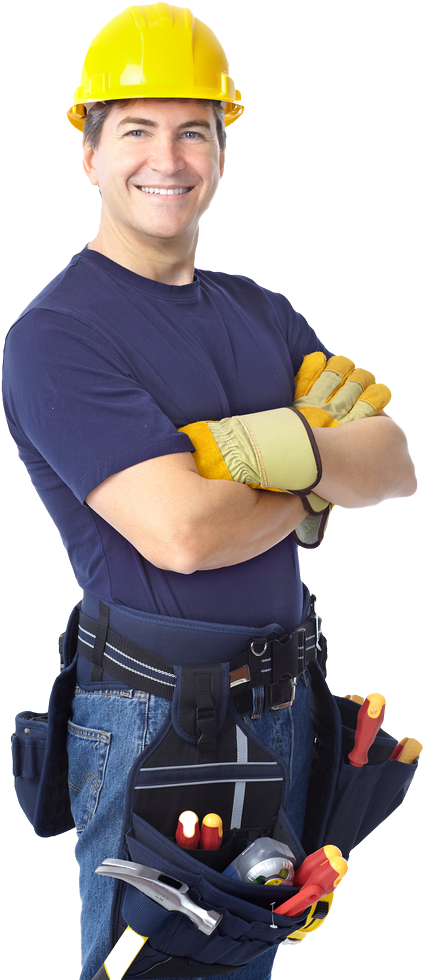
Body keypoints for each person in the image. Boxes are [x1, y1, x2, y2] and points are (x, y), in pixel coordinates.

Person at [2, 5, 417, 980]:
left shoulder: (259, 311)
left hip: (287, 703)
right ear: (91, 152)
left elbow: (393, 462)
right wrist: (318, 480)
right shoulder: (60, 334)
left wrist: (253, 452)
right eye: (137, 128)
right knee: (167, 970)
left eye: (195, 129)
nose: (169, 157)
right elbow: (182, 532)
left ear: (221, 154)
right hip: (159, 725)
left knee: (248, 956)